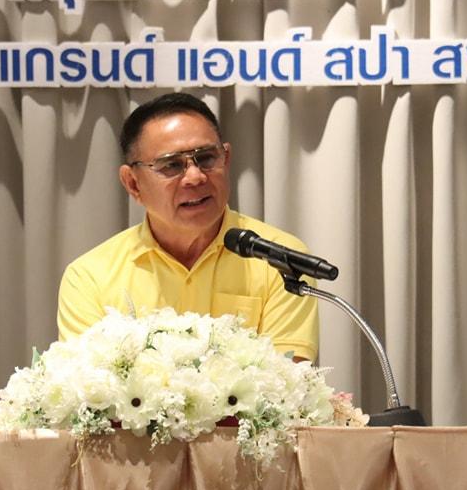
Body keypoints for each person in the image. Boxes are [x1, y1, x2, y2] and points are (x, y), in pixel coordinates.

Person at [57, 92, 319, 362]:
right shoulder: (90, 277)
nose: (195, 177)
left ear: (226, 158)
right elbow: (85, 382)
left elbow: (288, 379)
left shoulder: (279, 261)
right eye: (171, 165)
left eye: (206, 158)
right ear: (133, 183)